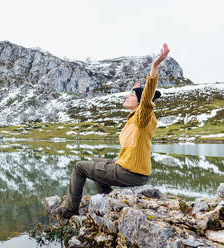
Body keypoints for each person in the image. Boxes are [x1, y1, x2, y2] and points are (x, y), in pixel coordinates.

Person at [57, 43, 170, 219]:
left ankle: (70, 209)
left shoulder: (143, 116)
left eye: (131, 96)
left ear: (140, 102)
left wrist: (154, 67)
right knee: (96, 162)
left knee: (80, 167)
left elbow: (147, 99)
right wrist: (136, 89)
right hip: (134, 171)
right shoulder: (136, 117)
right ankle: (108, 199)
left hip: (130, 173)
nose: (127, 96)